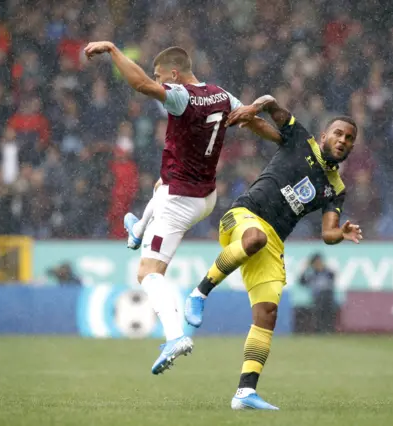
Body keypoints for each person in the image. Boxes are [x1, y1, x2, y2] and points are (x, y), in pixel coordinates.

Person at [83, 43, 280, 375]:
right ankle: (138, 229)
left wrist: (114, 51)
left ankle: (175, 336)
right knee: (161, 184)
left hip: (180, 202)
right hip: (205, 195)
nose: (158, 80)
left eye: (161, 75)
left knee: (148, 273)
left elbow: (141, 84)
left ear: (174, 74)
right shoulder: (221, 95)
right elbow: (249, 118)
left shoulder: (180, 96)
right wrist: (281, 139)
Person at [183, 95, 362, 410]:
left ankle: (245, 392)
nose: (342, 140)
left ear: (351, 146)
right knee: (254, 239)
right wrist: (255, 107)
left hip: (275, 240)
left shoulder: (336, 188)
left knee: (267, 314)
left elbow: (327, 233)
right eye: (338, 133)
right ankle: (200, 292)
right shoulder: (300, 140)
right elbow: (272, 103)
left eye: (349, 138)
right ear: (324, 136)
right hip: (244, 216)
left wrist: (342, 234)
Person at [299, 253, 337, 334]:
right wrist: (305, 269)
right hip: (317, 299)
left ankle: (328, 329)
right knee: (318, 308)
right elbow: (302, 282)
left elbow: (333, 278)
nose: (318, 264)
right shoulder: (311, 274)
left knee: (327, 304)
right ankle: (320, 330)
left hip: (328, 299)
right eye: (316, 262)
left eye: (320, 262)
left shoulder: (327, 272)